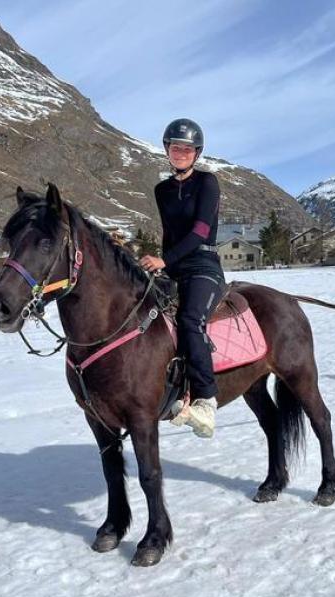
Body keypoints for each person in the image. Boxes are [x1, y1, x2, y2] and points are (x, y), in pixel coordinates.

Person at [139, 118, 224, 438]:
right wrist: (161, 266)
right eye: (175, 148)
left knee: (189, 319)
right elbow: (169, 234)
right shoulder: (162, 190)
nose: (180, 153)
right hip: (173, 268)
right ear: (167, 150)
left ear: (196, 153)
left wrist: (166, 259)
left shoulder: (208, 183)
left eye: (187, 149)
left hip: (204, 265)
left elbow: (200, 231)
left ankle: (205, 399)